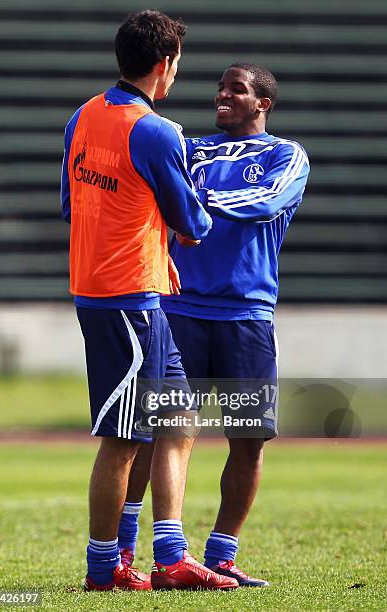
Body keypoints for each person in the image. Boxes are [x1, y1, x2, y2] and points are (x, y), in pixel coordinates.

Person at [60, 10, 238, 592]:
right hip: (126, 297)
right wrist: (192, 217)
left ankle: (169, 555)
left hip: (127, 294)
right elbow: (192, 221)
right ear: (166, 65)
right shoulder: (157, 130)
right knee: (123, 438)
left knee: (179, 419)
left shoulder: (81, 117)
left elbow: (72, 206)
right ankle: (101, 568)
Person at [121, 62, 310, 587]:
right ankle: (124, 554)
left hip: (246, 315)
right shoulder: (189, 148)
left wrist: (194, 209)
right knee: (155, 433)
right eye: (221, 87)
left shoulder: (285, 155)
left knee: (248, 440)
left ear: (262, 104)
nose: (223, 94)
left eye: (238, 89)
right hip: (178, 310)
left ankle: (223, 554)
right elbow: (152, 198)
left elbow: (267, 201)